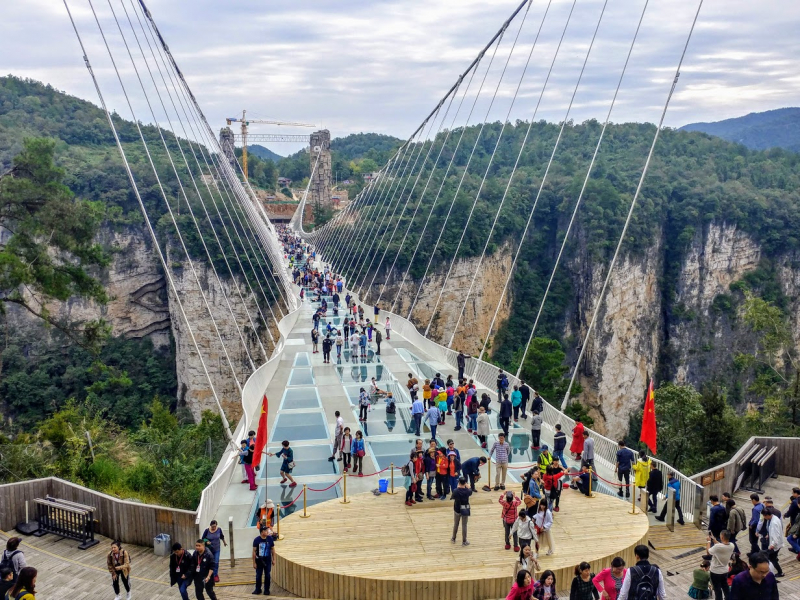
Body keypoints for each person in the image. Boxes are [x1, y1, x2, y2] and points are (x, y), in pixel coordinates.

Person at [756, 509, 784, 577]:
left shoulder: (774, 523)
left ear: (767, 515)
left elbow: (776, 535)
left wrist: (773, 545)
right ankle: (779, 572)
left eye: (764, 516)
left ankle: (777, 572)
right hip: (776, 543)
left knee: (772, 559)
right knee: (773, 558)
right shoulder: (774, 518)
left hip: (775, 544)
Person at [252, 526, 275, 596]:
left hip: (267, 560)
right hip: (259, 560)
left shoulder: (270, 539)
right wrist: (254, 563)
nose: (267, 532)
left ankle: (266, 590)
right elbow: (254, 552)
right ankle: (258, 589)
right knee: (258, 575)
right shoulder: (256, 540)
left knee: (267, 575)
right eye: (265, 531)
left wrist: (274, 559)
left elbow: (273, 549)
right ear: (262, 532)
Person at [451, 477, 473, 546]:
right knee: (464, 525)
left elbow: (452, 497)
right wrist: (468, 487)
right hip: (465, 509)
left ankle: (453, 538)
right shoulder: (468, 491)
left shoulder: (456, 491)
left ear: (459, 483)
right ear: (465, 483)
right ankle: (464, 541)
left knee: (456, 524)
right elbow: (470, 491)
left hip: (457, 509)